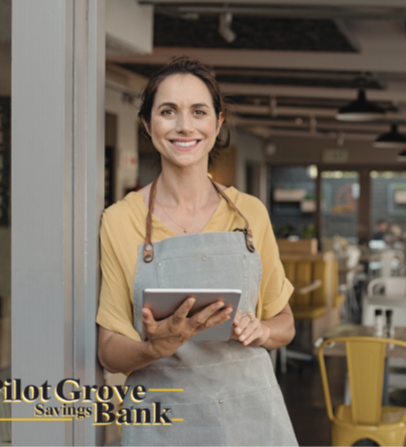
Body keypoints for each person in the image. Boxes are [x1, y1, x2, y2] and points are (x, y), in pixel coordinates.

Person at [96, 57, 298, 446]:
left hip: (250, 417)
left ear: (217, 123)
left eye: (199, 111)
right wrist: (155, 346)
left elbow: (284, 322)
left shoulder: (250, 213)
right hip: (164, 422)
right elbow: (109, 351)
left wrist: (262, 330)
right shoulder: (121, 220)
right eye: (168, 111)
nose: (184, 126)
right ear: (147, 124)